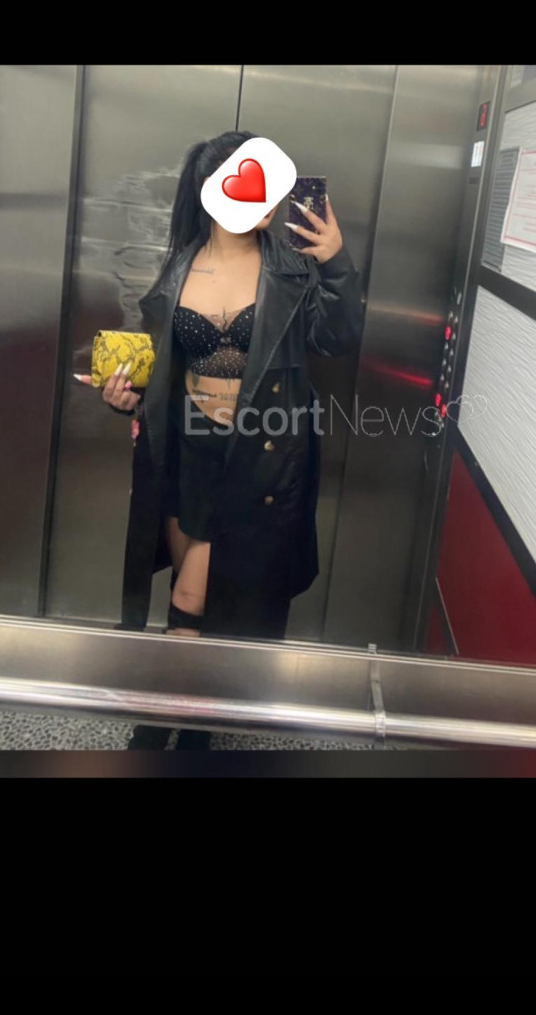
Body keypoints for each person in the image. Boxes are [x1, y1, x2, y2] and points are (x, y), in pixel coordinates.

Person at [79, 131, 364, 749]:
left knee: (192, 596)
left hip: (258, 460)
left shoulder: (290, 266)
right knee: (194, 600)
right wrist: (127, 394)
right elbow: (164, 368)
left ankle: (155, 733)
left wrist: (335, 263)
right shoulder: (178, 268)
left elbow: (336, 339)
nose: (268, 202)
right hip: (187, 454)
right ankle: (193, 730)